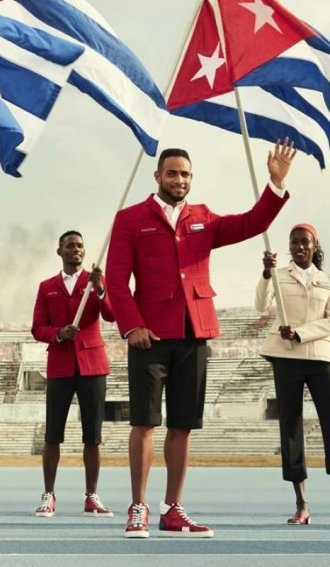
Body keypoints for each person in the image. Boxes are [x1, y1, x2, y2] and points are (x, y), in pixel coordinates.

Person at [105, 140, 297, 538]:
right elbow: (116, 281)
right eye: (172, 173)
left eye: (186, 174)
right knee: (144, 423)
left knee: (183, 425)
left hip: (194, 332)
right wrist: (131, 326)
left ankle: (173, 509)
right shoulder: (129, 219)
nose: (180, 180)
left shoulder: (204, 218)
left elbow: (251, 223)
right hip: (149, 338)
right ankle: (137, 507)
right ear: (157, 176)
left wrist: (275, 185)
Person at [30, 230, 114, 519]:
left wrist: (101, 289)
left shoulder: (94, 282)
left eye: (79, 245)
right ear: (59, 251)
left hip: (92, 365)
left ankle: (92, 495)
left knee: (93, 436)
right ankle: (48, 494)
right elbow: (37, 328)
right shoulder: (47, 286)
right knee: (53, 434)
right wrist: (59, 334)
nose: (75, 249)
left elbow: (112, 314)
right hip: (61, 366)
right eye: (69, 246)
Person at [255, 224, 330, 525]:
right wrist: (264, 274)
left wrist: (300, 332)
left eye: (305, 243)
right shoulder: (277, 275)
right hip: (285, 357)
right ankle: (301, 503)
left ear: (314, 246)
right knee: (290, 426)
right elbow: (260, 305)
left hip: (320, 356)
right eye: (294, 242)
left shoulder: (326, 280)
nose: (299, 247)